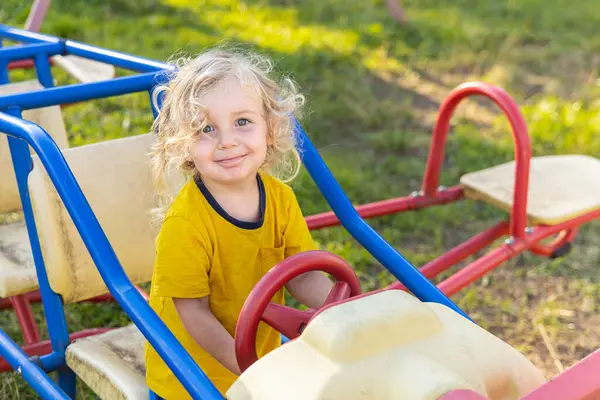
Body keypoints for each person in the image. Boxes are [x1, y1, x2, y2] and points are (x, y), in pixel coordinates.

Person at [144, 47, 335, 399]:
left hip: (259, 366)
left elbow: (303, 275)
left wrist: (340, 311)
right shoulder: (185, 223)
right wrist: (250, 367)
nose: (227, 140)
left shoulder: (279, 199)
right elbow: (194, 313)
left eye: (242, 122)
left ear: (270, 128)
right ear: (184, 145)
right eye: (206, 129)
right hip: (191, 380)